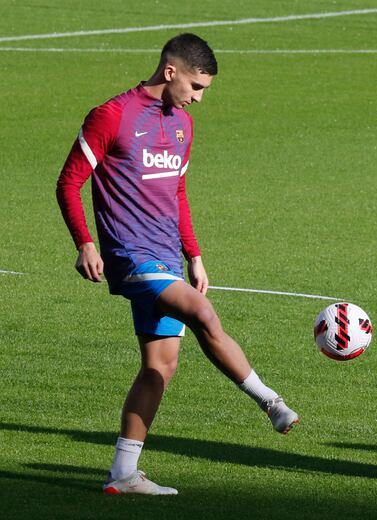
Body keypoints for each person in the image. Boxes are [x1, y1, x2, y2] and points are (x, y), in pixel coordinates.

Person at [56, 33, 299, 496]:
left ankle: (123, 475)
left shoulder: (183, 125)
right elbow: (68, 184)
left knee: (158, 369)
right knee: (204, 313)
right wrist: (85, 243)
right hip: (130, 256)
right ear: (171, 72)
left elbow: (177, 192)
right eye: (195, 86)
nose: (198, 98)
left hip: (167, 256)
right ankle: (270, 402)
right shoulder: (111, 115)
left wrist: (194, 254)